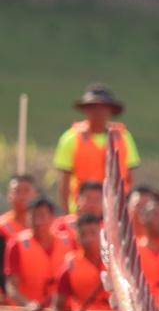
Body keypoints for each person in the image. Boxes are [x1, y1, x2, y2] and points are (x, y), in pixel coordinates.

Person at [52, 84, 138, 214]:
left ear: (111, 111)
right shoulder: (71, 138)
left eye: (103, 108)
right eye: (93, 108)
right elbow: (64, 183)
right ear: (85, 110)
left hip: (116, 210)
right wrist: (67, 213)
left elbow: (131, 178)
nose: (98, 112)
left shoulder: (124, 137)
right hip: (82, 211)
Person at [4, 196, 63, 311]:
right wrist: (28, 305)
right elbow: (11, 286)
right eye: (33, 216)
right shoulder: (17, 244)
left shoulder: (67, 243)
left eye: (42, 215)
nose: (37, 221)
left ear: (52, 218)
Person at [50, 213, 109, 311]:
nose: (88, 239)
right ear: (77, 237)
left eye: (93, 233)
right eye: (83, 234)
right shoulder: (70, 267)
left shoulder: (117, 265)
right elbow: (56, 309)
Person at [1, 174, 35, 242]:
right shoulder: (2, 226)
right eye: (17, 191)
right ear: (9, 196)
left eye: (26, 190)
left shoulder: (43, 226)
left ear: (35, 195)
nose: (22, 196)